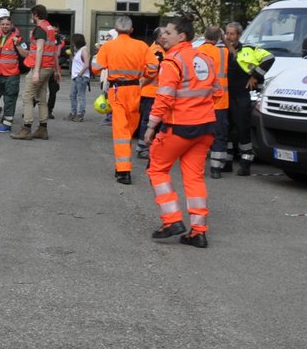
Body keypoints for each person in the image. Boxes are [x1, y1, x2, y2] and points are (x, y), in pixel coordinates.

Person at [141, 17, 218, 248]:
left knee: (157, 169)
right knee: (194, 178)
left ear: (181, 36)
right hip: (206, 127)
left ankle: (172, 220)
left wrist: (151, 126)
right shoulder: (204, 58)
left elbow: (164, 97)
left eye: (168, 32)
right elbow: (217, 92)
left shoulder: (172, 61)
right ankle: (198, 231)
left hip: (179, 127)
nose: (163, 36)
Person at [91, 16, 151, 184]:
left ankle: (123, 171)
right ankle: (122, 166)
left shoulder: (108, 46)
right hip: (135, 91)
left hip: (117, 91)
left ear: (116, 30)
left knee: (121, 133)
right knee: (129, 130)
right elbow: (153, 68)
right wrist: (142, 74)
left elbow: (95, 69)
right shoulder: (142, 46)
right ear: (131, 30)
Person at [15, 4, 60, 140]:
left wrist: (35, 72)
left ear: (35, 14)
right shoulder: (49, 28)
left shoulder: (40, 29)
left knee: (27, 97)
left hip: (39, 68)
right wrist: (56, 70)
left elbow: (40, 50)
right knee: (41, 98)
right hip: (48, 67)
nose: (31, 17)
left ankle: (26, 128)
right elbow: (52, 51)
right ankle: (42, 128)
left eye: (32, 14)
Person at [222, 22, 255, 175]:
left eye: (232, 34)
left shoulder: (248, 50)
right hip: (225, 97)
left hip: (241, 97)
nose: (229, 37)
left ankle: (246, 164)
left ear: (239, 35)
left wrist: (256, 76)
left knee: (243, 131)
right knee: (226, 131)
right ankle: (227, 163)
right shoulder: (222, 51)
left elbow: (269, 59)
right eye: (227, 34)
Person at [198, 26, 231, 178]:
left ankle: (196, 165)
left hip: (200, 101)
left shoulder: (196, 52)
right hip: (219, 101)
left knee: (200, 134)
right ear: (219, 37)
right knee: (219, 134)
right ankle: (216, 168)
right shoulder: (224, 52)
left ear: (204, 35)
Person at [67, 32, 90, 121]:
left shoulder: (84, 50)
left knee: (81, 96)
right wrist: (71, 57)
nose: (72, 43)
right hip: (76, 76)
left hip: (81, 77)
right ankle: (73, 113)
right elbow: (79, 62)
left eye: (73, 41)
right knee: (72, 95)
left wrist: (80, 74)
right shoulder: (79, 50)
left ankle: (80, 115)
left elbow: (87, 64)